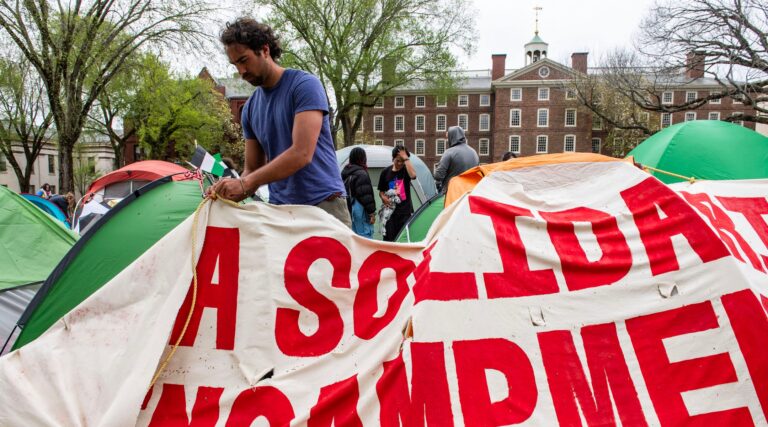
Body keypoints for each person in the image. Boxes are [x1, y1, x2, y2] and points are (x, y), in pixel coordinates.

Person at [209, 18, 351, 227]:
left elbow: (301, 153)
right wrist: (229, 190)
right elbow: (252, 169)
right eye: (235, 64)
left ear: (264, 50)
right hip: (280, 211)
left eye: (244, 60)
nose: (241, 71)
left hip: (323, 205)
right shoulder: (250, 109)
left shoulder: (304, 86)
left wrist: (245, 183)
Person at [378, 146, 417, 241]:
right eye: (397, 160)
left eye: (402, 161)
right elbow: (381, 191)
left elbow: (413, 175)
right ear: (392, 159)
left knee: (402, 240)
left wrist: (406, 158)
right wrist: (383, 197)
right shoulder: (385, 172)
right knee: (389, 241)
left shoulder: (406, 170)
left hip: (404, 213)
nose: (400, 163)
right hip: (390, 214)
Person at [341, 147, 376, 238]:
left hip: (349, 209)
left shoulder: (345, 173)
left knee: (354, 236)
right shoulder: (362, 173)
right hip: (360, 209)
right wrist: (371, 213)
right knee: (365, 235)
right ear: (363, 158)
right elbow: (365, 195)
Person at [433, 126, 479, 193]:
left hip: (453, 192)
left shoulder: (449, 152)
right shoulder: (474, 152)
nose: (447, 140)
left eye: (448, 137)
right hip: (470, 191)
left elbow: (438, 175)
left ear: (452, 137)